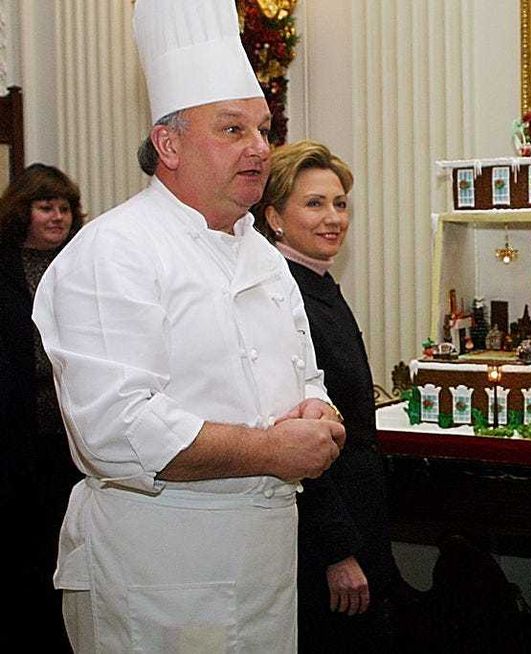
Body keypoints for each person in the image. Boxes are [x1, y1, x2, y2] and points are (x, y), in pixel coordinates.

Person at [31, 1, 345, 651]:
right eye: (232, 129)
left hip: (264, 568)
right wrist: (272, 451)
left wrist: (319, 413)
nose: (260, 147)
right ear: (168, 144)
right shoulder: (114, 250)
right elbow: (116, 432)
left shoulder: (258, 248)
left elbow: (304, 374)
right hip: (156, 576)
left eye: (263, 128)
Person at [254, 140, 407, 652]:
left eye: (340, 204)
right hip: (327, 530)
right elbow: (292, 434)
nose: (334, 218)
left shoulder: (316, 281)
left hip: (357, 505)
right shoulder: (282, 294)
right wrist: (338, 551)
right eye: (315, 204)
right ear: (274, 216)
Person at [0, 163, 86, 652]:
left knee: (64, 537)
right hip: (16, 427)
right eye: (45, 207)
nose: (58, 217)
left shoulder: (81, 262)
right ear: (22, 210)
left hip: (71, 428)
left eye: (65, 208)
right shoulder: (5, 265)